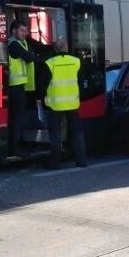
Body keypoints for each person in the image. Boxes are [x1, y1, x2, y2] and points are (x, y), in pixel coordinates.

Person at [42, 37, 88, 169]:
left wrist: (42, 98)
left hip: (55, 104)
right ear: (67, 49)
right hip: (73, 103)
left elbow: (43, 85)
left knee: (55, 134)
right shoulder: (76, 62)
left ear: (55, 49)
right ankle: (82, 160)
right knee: (77, 132)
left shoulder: (49, 63)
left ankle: (55, 163)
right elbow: (81, 82)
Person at [7, 20, 37, 156]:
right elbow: (29, 57)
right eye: (22, 30)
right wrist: (32, 55)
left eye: (26, 31)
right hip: (15, 88)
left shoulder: (21, 43)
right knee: (17, 119)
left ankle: (16, 146)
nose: (25, 33)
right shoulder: (13, 44)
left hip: (20, 87)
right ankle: (15, 149)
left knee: (16, 118)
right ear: (14, 31)